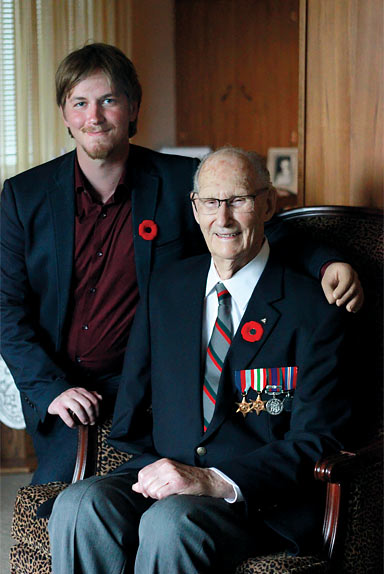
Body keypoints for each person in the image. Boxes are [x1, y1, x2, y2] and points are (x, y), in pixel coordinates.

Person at [0, 43, 362, 485]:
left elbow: (259, 228)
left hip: (159, 391)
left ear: (133, 108)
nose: (94, 116)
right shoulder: (23, 197)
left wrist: (327, 263)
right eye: (80, 103)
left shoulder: (179, 182)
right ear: (65, 114)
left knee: (144, 504)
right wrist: (51, 389)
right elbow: (6, 308)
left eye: (109, 101)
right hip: (66, 394)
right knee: (60, 511)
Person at [48, 148, 353, 574]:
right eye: (211, 202)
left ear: (267, 205)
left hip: (256, 497)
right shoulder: (167, 287)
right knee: (80, 503)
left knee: (170, 523)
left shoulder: (314, 310)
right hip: (167, 470)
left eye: (238, 200)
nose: (222, 218)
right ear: (195, 208)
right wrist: (151, 463)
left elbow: (318, 439)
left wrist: (211, 480)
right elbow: (136, 398)